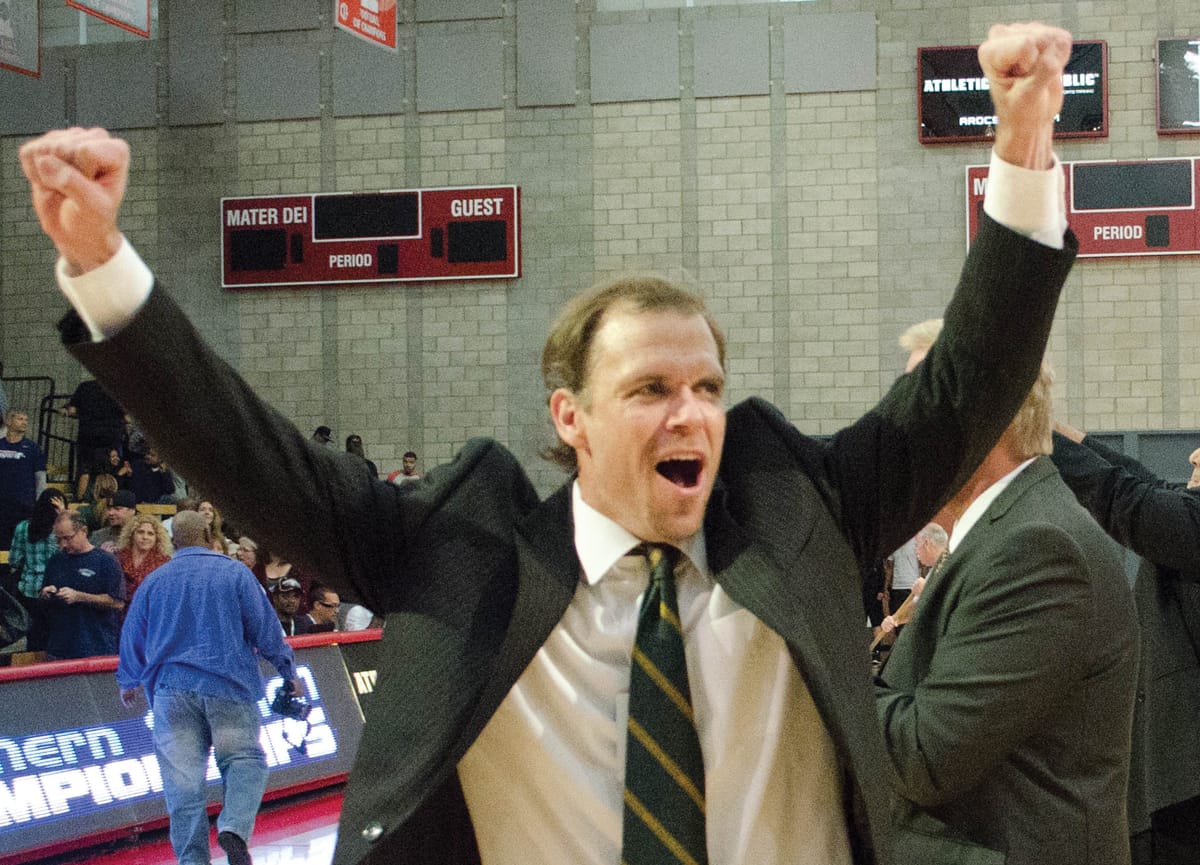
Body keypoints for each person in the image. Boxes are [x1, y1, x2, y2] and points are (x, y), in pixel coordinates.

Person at [21, 21, 1078, 865]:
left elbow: (963, 387)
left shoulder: (806, 511)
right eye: (652, 387)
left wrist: (1021, 149)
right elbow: (242, 449)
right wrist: (105, 263)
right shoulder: (456, 553)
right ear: (570, 418)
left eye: (708, 385)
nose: (692, 412)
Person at [875, 358, 1138, 865]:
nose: (895, 432)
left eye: (914, 408)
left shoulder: (1034, 546)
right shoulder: (1013, 530)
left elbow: (925, 756)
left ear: (979, 424)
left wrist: (821, 659)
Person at [1052, 423, 1200, 865]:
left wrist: (1033, 429)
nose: (1193, 456)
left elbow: (1124, 497)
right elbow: (1143, 482)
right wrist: (1066, 433)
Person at [116, 510, 299, 865]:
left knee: (183, 786)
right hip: (228, 686)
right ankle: (232, 826)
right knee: (244, 759)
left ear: (173, 539)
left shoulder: (154, 580)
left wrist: (128, 680)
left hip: (171, 691)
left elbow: (132, 635)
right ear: (207, 532)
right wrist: (287, 670)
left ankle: (192, 861)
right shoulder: (235, 574)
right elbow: (266, 629)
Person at [40, 510, 125, 659]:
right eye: (58, 540)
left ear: (84, 531)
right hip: (59, 648)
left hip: (96, 647)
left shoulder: (106, 561)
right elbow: (43, 597)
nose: (63, 544)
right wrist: (46, 594)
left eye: (68, 538)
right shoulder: (55, 561)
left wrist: (79, 597)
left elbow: (117, 602)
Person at [9, 488, 66, 651]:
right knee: (54, 634)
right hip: (56, 589)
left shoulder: (23, 527)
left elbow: (14, 560)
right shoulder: (61, 530)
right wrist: (64, 513)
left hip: (29, 589)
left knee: (34, 636)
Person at [0, 408, 47, 554]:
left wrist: (40, 502)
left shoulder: (33, 448)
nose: (24, 422)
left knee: (20, 544)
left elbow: (40, 477)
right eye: (20, 419)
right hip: (2, 504)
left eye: (26, 420)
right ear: (8, 421)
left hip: (23, 506)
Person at [63, 379, 125, 477]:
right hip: (111, 439)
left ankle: (82, 491)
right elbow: (127, 416)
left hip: (87, 437)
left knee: (85, 473)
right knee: (110, 475)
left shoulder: (85, 386)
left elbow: (72, 410)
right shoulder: (118, 388)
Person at [114, 511, 172, 606]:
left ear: (157, 538)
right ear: (132, 534)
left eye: (150, 534)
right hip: (119, 611)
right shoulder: (117, 557)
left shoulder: (164, 562)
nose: (145, 537)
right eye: (140, 532)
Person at [90, 487, 137, 552]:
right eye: (109, 509)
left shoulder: (142, 536)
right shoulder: (98, 536)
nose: (110, 513)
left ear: (132, 511)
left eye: (117, 509)